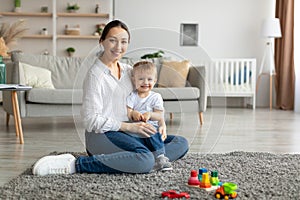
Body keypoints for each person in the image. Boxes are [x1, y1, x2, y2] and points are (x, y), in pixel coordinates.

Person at [32, 20, 189, 176]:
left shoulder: (129, 72)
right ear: (102, 42)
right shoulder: (95, 75)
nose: (118, 47)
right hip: (102, 136)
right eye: (112, 40)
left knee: (181, 143)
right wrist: (128, 127)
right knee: (145, 160)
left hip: (130, 134)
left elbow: (145, 96)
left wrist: (160, 125)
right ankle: (76, 164)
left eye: (123, 42)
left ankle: (138, 157)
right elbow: (90, 120)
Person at [127, 61, 172, 171]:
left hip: (151, 128)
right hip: (135, 129)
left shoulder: (156, 97)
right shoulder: (132, 96)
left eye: (149, 79)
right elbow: (128, 113)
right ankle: (148, 155)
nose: (145, 82)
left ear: (155, 81)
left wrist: (150, 114)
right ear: (134, 80)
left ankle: (160, 157)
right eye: (141, 79)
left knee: (152, 132)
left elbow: (159, 115)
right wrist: (134, 114)